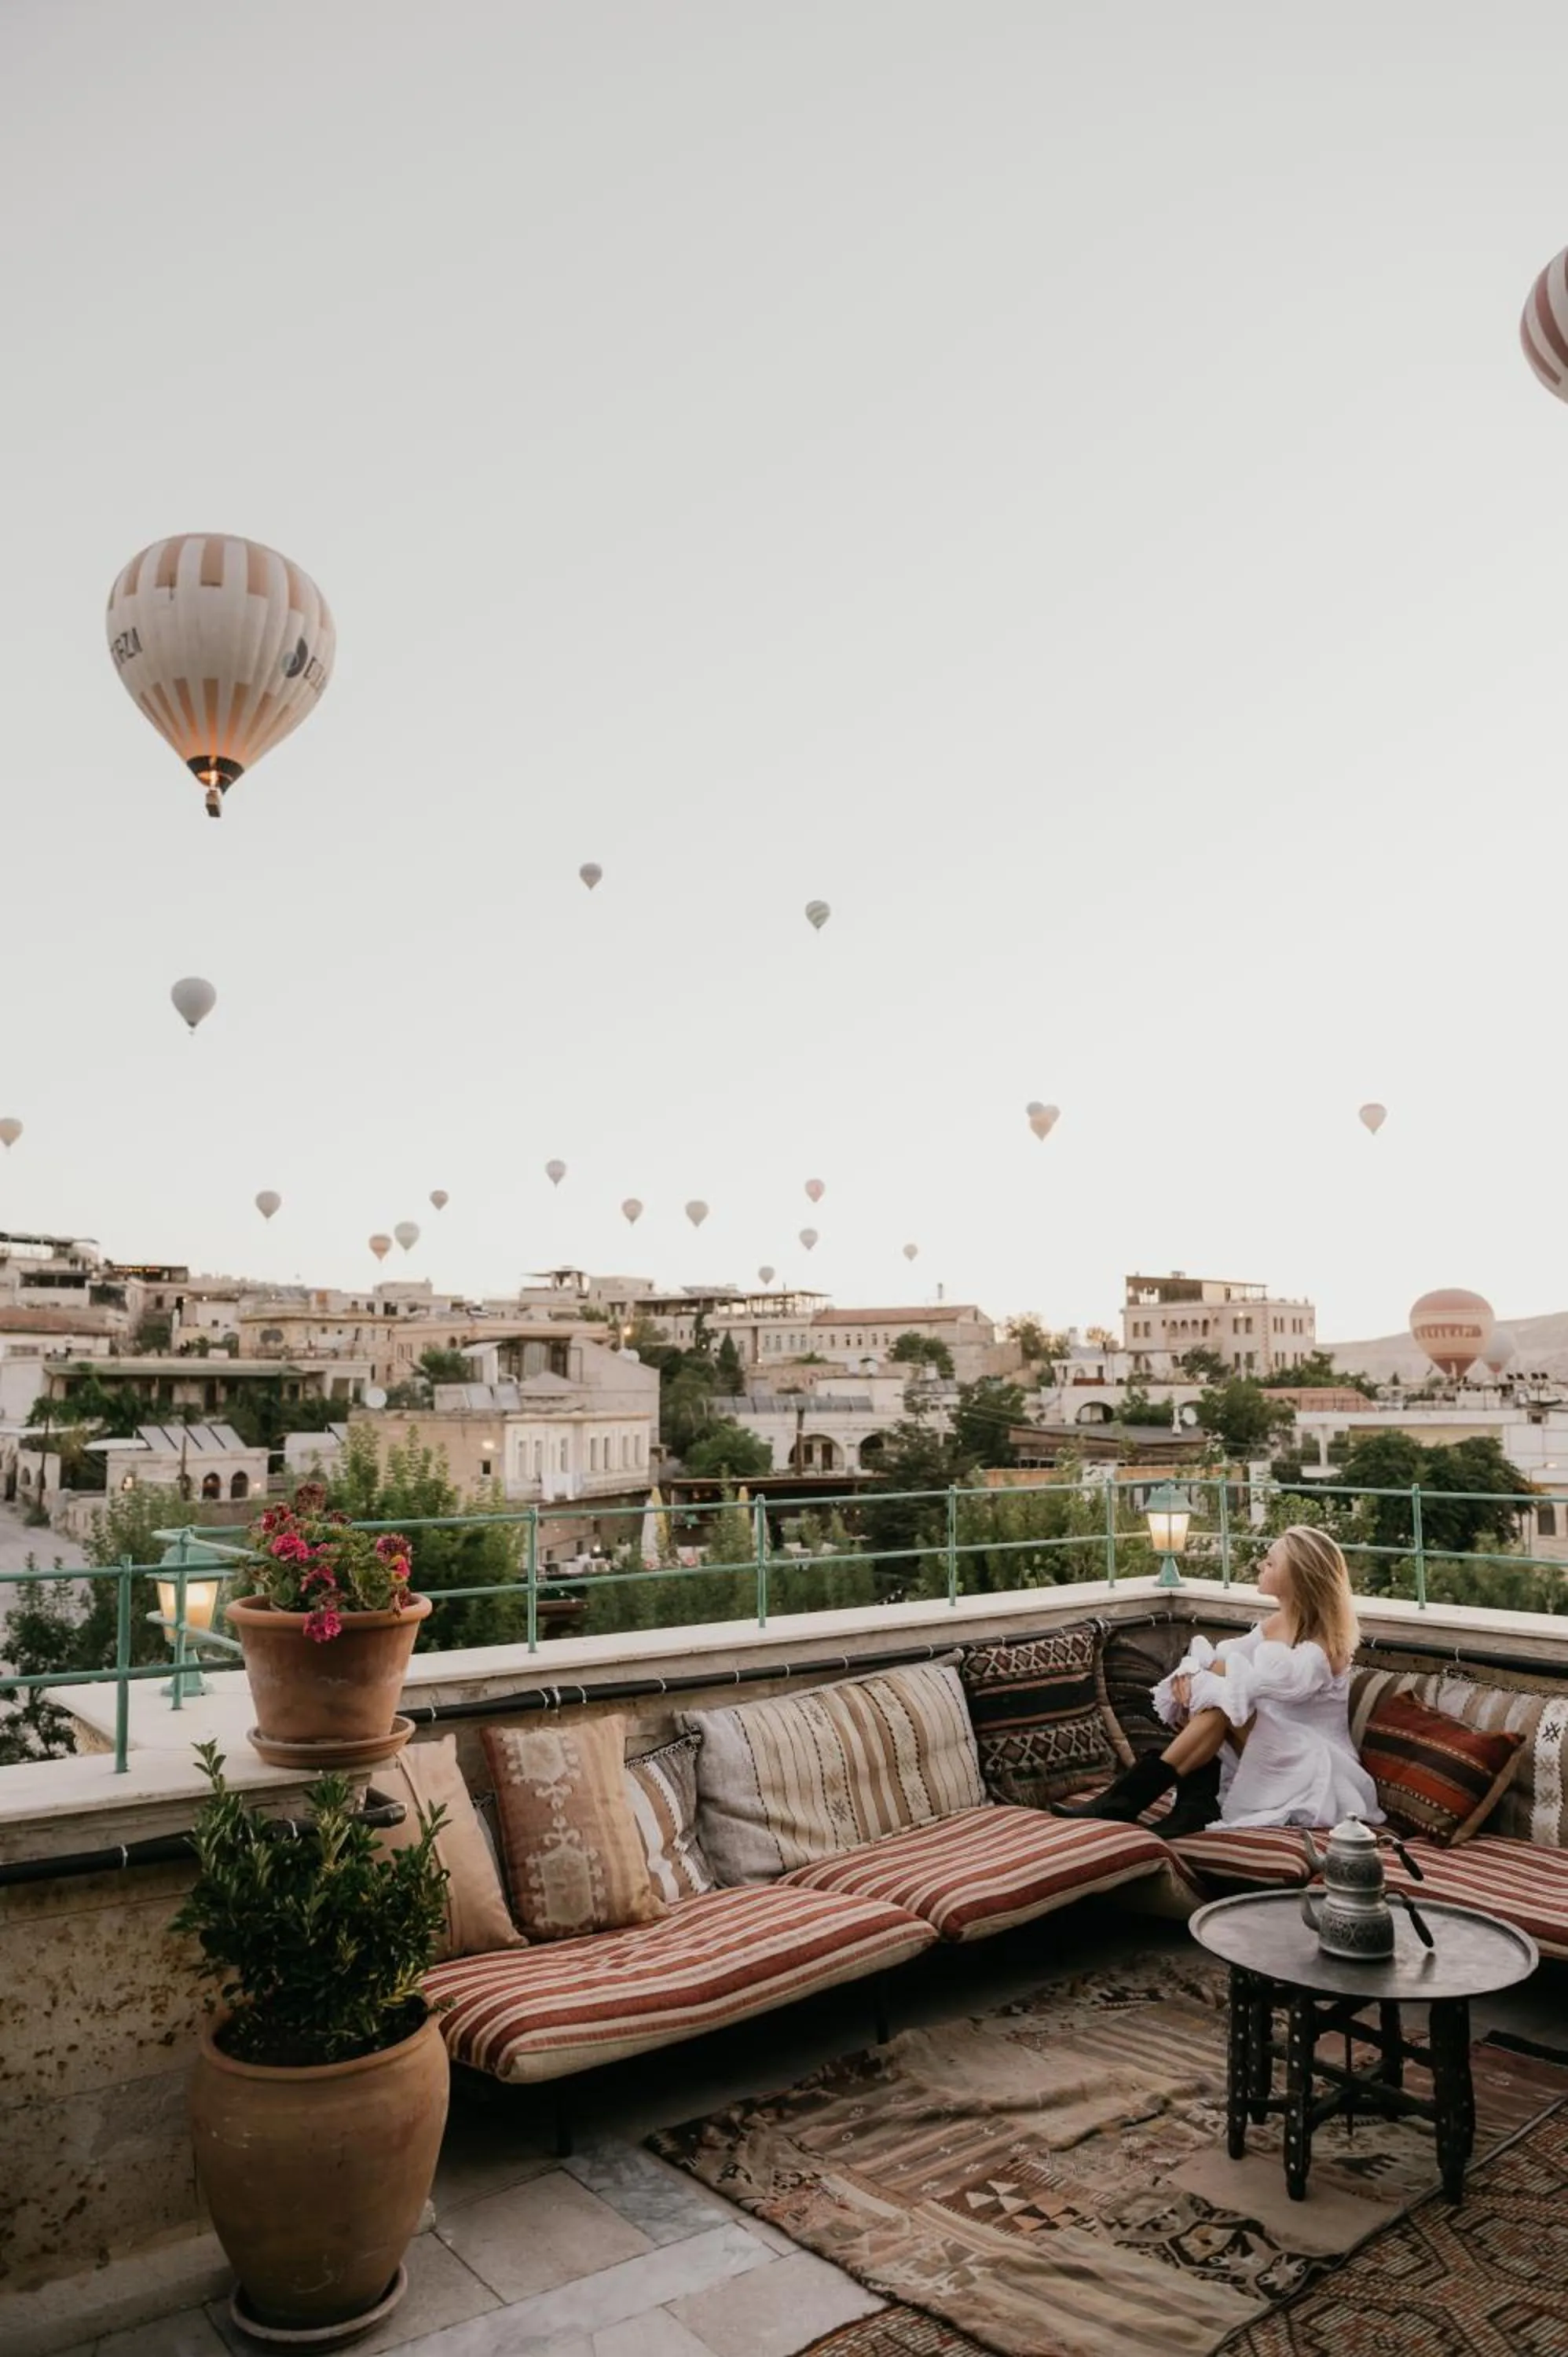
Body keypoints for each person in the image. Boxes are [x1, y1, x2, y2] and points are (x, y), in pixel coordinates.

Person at [1054, 1524, 1380, 1839]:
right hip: (1272, 1746)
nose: (1259, 1565)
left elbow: (1261, 1687)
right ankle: (1179, 1805)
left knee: (1222, 1701)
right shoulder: (1278, 1622)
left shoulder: (1324, 1646)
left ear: (1297, 1577)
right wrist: (1191, 1672)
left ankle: (1130, 1800)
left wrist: (1203, 1684)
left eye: (1270, 1562)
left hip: (1309, 1763)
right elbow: (1219, 1657)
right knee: (1218, 1689)